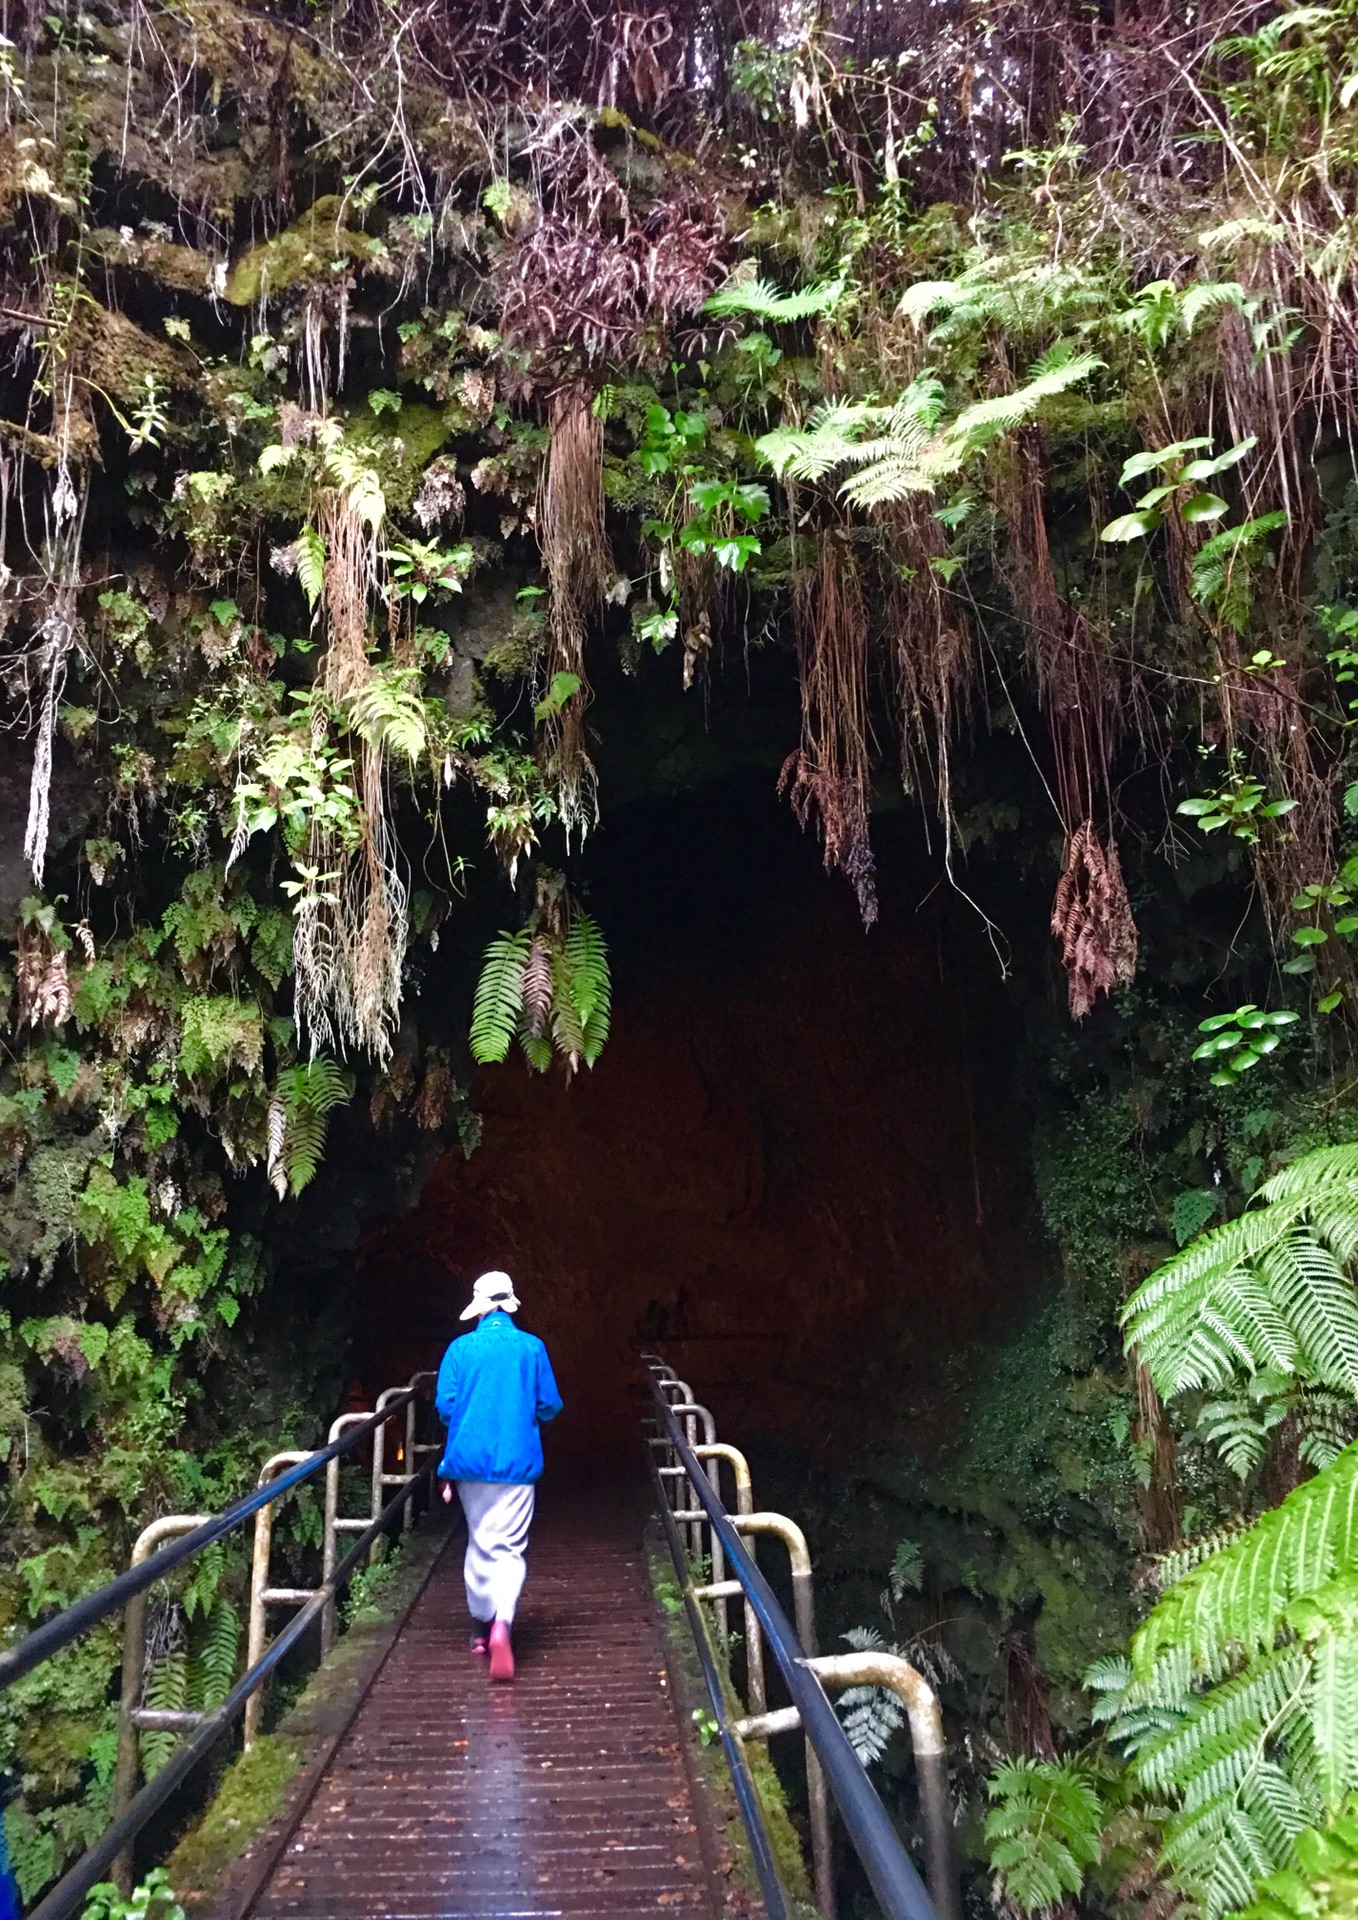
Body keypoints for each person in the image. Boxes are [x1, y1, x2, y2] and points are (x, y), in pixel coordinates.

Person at [435, 1270, 562, 1682]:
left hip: (468, 1463)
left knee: (480, 1541)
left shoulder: (460, 1349)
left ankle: (478, 1629)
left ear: (481, 1307)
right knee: (509, 1548)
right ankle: (503, 1623)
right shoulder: (532, 1348)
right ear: (508, 1304)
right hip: (517, 1462)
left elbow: (446, 1406)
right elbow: (549, 1405)